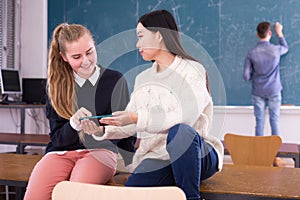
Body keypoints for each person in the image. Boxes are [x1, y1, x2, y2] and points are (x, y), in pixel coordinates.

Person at [84, 10, 224, 200]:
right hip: (159, 157)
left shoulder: (192, 70)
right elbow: (132, 122)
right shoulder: (143, 78)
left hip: (197, 154)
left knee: (180, 132)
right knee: (132, 190)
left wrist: (136, 117)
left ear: (158, 36)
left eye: (141, 36)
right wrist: (101, 129)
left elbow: (186, 118)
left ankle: (192, 198)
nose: (137, 44)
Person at [24, 23, 135, 200]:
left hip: (99, 152)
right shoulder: (56, 87)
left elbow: (126, 132)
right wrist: (73, 124)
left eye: (89, 52)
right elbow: (58, 139)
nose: (86, 61)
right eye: (76, 56)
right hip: (60, 153)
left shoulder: (115, 80)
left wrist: (130, 162)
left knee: (73, 194)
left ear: (94, 46)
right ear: (64, 57)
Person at [243, 21, 288, 136]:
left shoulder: (251, 53)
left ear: (257, 34)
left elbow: (246, 76)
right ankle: (276, 152)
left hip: (258, 90)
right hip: (274, 89)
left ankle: (259, 153)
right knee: (274, 121)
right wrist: (280, 33)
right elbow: (285, 48)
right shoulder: (276, 50)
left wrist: (256, 76)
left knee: (259, 122)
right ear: (270, 33)